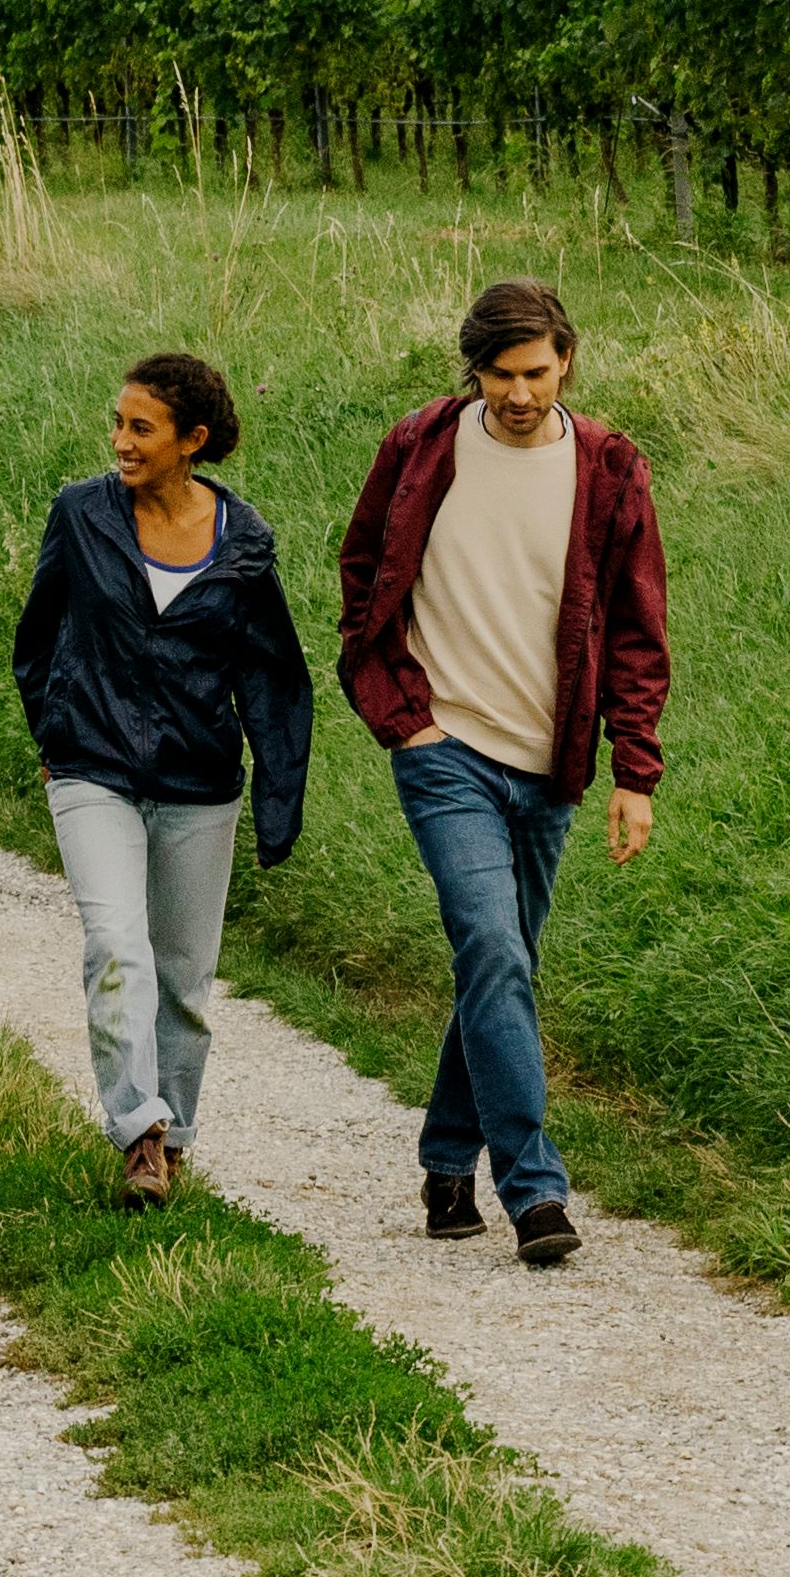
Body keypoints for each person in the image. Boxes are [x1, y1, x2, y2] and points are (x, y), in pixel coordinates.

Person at [329, 277, 668, 1272]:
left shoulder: (608, 467)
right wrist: (399, 714)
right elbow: (361, 573)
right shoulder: (420, 444)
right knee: (492, 944)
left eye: (535, 370)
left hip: (550, 761)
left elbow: (640, 631)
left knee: (498, 962)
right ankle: (534, 1187)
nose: (518, 392)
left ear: (566, 358)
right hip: (444, 750)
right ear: (470, 366)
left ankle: (444, 1156)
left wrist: (631, 770)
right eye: (498, 372)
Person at [6, 345, 312, 1204]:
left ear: (193, 440)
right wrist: (54, 733)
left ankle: (172, 1140)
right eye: (118, 422)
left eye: (141, 427)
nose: (121, 440)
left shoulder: (243, 542)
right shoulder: (82, 514)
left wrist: (278, 805)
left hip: (198, 782)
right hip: (92, 770)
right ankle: (137, 1124)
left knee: (184, 978)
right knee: (115, 946)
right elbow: (37, 639)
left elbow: (273, 678)